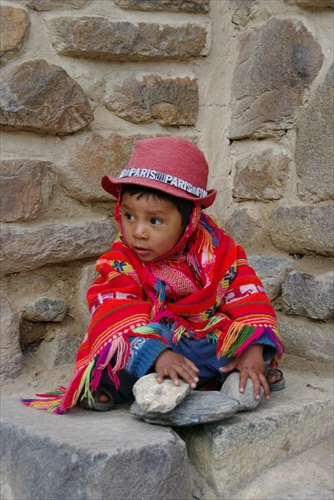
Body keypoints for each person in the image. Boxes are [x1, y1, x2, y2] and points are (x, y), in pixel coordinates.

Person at [23, 136, 284, 414]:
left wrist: (253, 350)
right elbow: (116, 309)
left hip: (200, 336)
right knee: (113, 349)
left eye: (155, 221)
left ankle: (246, 371)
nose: (137, 232)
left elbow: (249, 298)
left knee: (236, 342)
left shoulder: (221, 253)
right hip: (151, 342)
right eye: (129, 216)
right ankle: (115, 385)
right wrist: (158, 353)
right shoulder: (120, 262)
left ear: (190, 221)